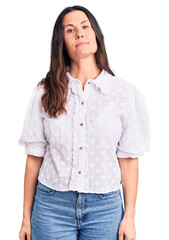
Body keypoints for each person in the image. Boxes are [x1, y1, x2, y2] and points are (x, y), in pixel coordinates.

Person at [18, 5, 150, 240]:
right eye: (70, 30)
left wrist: (129, 216)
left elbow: (128, 160)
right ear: (62, 43)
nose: (79, 33)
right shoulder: (45, 92)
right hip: (51, 208)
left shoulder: (123, 94)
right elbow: (34, 157)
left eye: (85, 26)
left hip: (105, 209)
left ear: (95, 35)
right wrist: (25, 218)